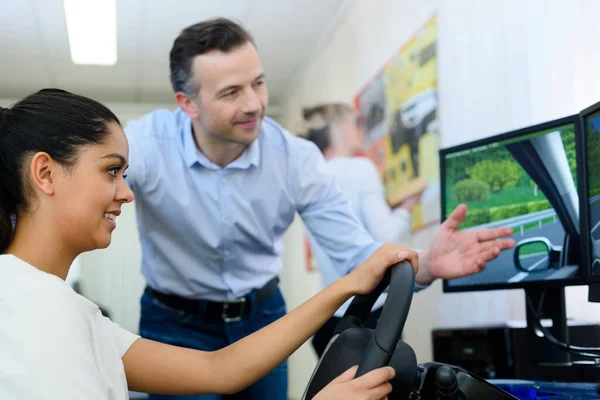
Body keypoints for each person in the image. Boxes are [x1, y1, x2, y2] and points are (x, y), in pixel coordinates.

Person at [124, 18, 515, 399]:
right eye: (231, 93)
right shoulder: (145, 144)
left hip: (262, 319)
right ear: (187, 104)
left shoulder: (295, 159)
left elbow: (356, 253)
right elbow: (86, 194)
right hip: (174, 320)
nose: (254, 104)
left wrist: (426, 262)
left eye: (258, 84)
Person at [0, 88, 418, 400]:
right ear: (46, 173)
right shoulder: (35, 307)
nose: (127, 193)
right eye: (111, 171)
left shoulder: (59, 306)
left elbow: (219, 368)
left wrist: (347, 285)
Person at [303, 103, 424, 357]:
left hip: (331, 318)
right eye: (356, 124)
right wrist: (407, 207)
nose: (361, 132)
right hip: (368, 316)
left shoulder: (312, 175)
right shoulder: (360, 168)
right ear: (343, 129)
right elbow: (386, 238)